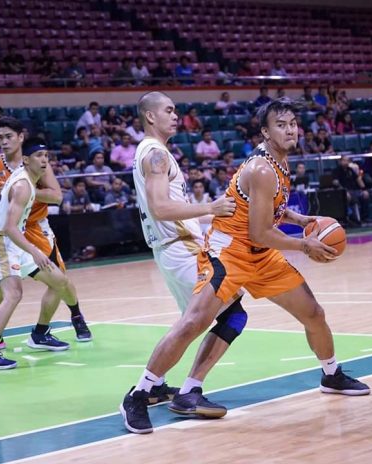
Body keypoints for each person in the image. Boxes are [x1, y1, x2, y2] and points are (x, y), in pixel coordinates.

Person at [120, 97, 369, 434]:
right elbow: (261, 231)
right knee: (195, 320)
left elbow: (262, 209)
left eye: (292, 123)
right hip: (230, 252)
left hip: (259, 253)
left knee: (313, 313)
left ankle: (331, 374)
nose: (290, 129)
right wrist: (303, 244)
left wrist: (298, 218)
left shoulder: (275, 162)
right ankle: (140, 394)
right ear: (265, 132)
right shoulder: (262, 168)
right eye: (280, 125)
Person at [122, 91, 245, 423]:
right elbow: (162, 209)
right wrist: (210, 207)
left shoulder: (156, 153)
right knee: (227, 314)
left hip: (178, 245)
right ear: (150, 116)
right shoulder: (155, 155)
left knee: (207, 318)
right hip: (181, 249)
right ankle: (141, 394)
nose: (176, 116)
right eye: (169, 110)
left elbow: (176, 211)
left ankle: (161, 386)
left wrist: (221, 215)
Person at [0, 117, 92, 350]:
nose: (3, 141)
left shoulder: (36, 163)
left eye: (8, 136)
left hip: (34, 228)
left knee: (59, 279)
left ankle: (72, 317)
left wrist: (25, 191)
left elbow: (57, 196)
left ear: (21, 137)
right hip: (8, 230)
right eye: (0, 137)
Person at [0, 138, 78, 369]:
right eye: (39, 157)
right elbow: (9, 227)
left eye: (47, 156)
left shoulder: (31, 182)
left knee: (59, 281)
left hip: (15, 241)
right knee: (13, 295)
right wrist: (35, 251)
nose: (44, 161)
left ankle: (40, 334)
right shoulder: (22, 186)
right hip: (3, 240)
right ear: (26, 160)